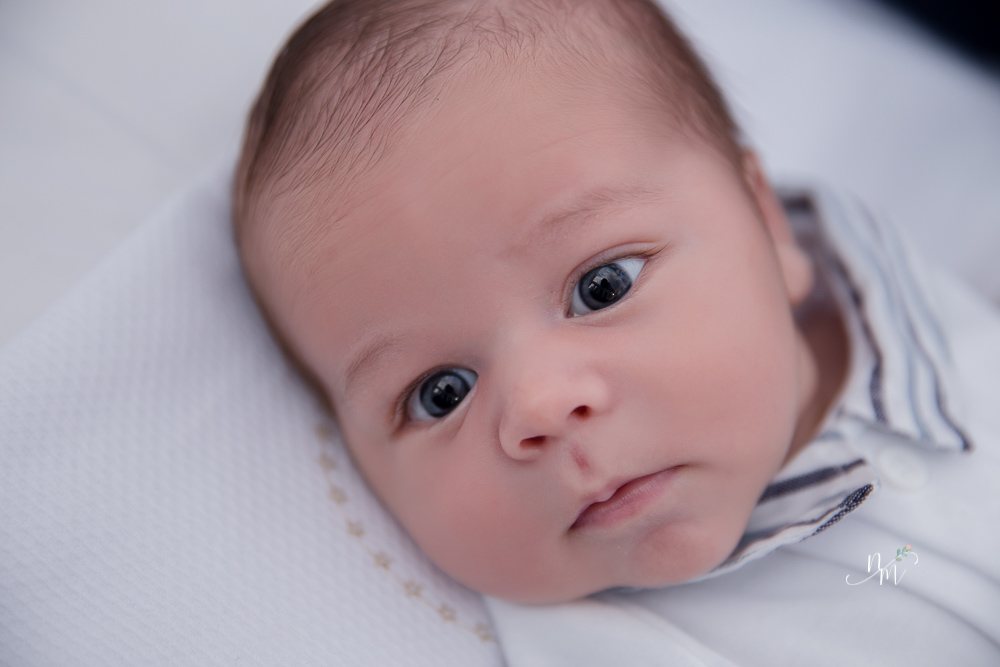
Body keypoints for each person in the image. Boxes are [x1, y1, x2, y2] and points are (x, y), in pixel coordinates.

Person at [233, 0, 1000, 662]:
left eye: (602, 287)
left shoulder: (927, 305)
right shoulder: (611, 642)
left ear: (767, 228)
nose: (539, 404)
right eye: (441, 393)